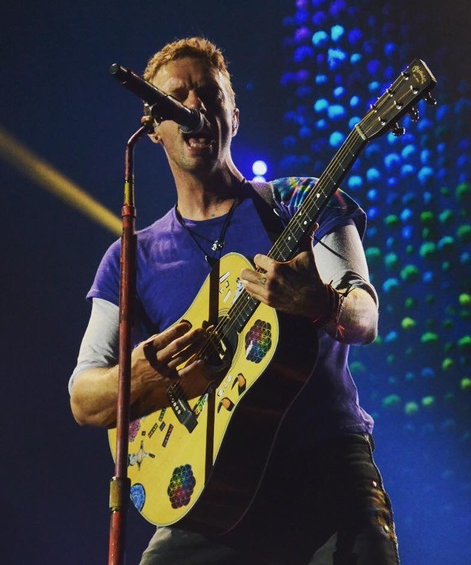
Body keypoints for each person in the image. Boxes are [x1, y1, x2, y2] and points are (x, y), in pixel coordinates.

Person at [69, 36, 400, 564]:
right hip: (212, 496)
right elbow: (84, 398)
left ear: (234, 117)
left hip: (327, 475)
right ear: (153, 127)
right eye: (178, 97)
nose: (196, 106)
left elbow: (365, 316)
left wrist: (322, 303)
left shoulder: (300, 202)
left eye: (211, 94)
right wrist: (144, 376)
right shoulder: (131, 257)